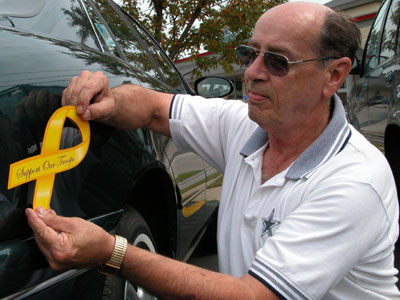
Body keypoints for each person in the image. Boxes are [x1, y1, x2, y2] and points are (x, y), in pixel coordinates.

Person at [25, 2, 400, 299]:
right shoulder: (243, 124)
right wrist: (108, 98)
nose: (252, 71)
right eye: (249, 53)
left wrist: (111, 252)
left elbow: (253, 296)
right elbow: (154, 106)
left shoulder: (354, 181)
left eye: (277, 61)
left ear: (334, 75)